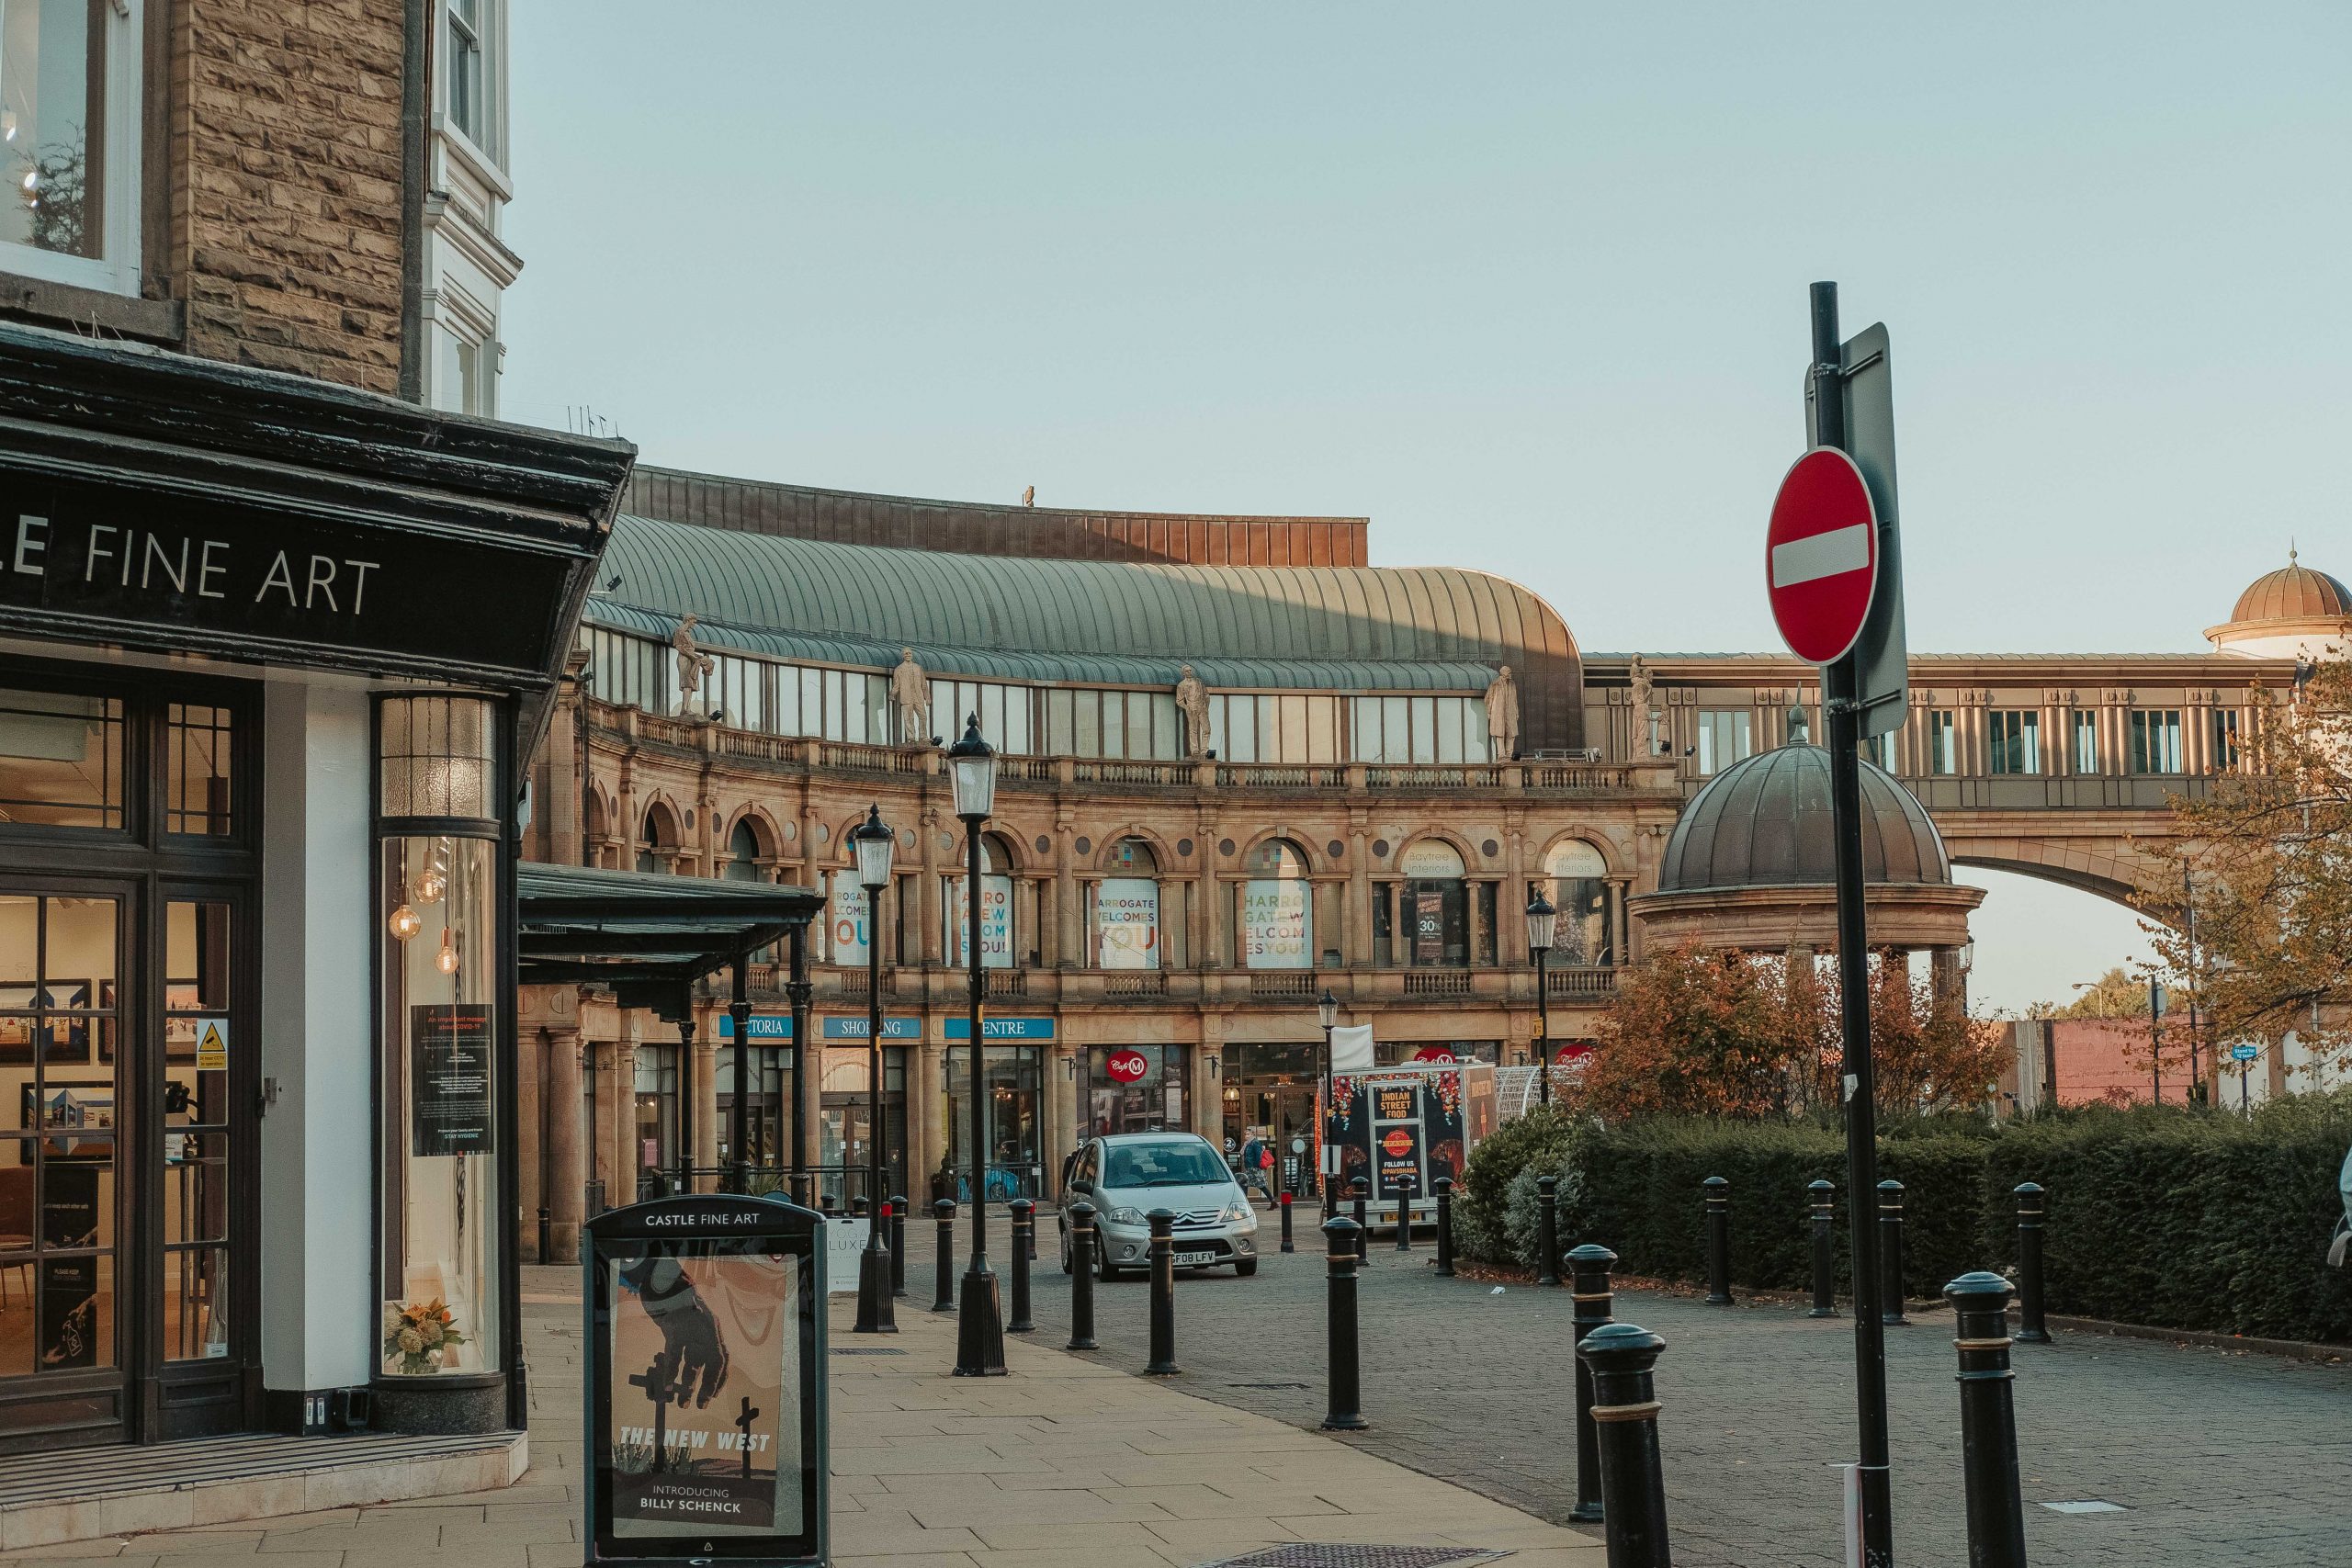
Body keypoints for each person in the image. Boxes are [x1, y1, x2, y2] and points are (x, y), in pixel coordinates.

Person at [1238, 1131, 1268, 1203]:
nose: (1246, 1136)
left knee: (1260, 1185)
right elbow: (1241, 1153)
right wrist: (1245, 1145)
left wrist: (1256, 1165)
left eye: (1248, 1134)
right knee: (1245, 1184)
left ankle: (1244, 1203)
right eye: (1245, 1134)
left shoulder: (1255, 1143)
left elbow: (1258, 1155)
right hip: (1249, 1167)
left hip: (1254, 1168)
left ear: (1252, 1135)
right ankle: (1245, 1202)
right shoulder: (1247, 1144)